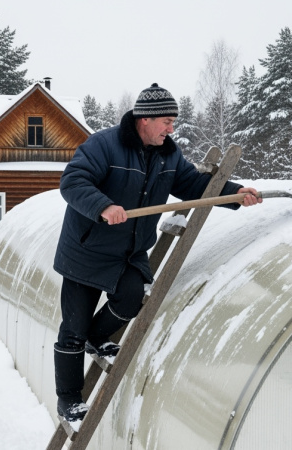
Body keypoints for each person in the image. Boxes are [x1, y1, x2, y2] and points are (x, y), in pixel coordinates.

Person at [52, 83, 261, 422]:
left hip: (128, 252)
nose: (171, 128)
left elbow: (194, 186)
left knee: (132, 297)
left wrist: (236, 193)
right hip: (86, 250)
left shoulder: (169, 155)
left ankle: (98, 335)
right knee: (73, 329)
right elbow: (73, 182)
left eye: (173, 122)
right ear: (145, 120)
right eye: (167, 121)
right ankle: (69, 399)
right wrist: (103, 206)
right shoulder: (104, 146)